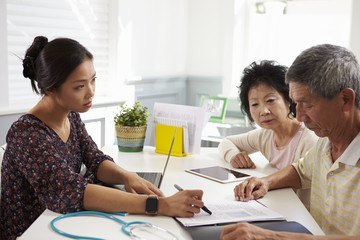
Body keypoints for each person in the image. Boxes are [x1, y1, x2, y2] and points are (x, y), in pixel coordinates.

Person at [0, 36, 204, 240]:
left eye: (93, 80)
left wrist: (127, 176)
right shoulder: (27, 134)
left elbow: (95, 159)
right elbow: (70, 192)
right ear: (50, 88)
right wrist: (159, 205)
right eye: (79, 86)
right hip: (34, 232)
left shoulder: (70, 115)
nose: (91, 92)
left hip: (66, 223)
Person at [221, 44, 360, 239]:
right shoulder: (325, 142)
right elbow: (301, 171)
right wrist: (266, 181)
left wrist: (276, 237)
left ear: (345, 99)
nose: (300, 116)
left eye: (308, 104)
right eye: (297, 103)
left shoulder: (316, 136)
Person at [218, 60, 318, 171]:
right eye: (254, 104)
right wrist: (233, 156)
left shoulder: (310, 139)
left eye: (270, 100)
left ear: (289, 99)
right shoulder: (265, 136)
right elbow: (226, 142)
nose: (264, 111)